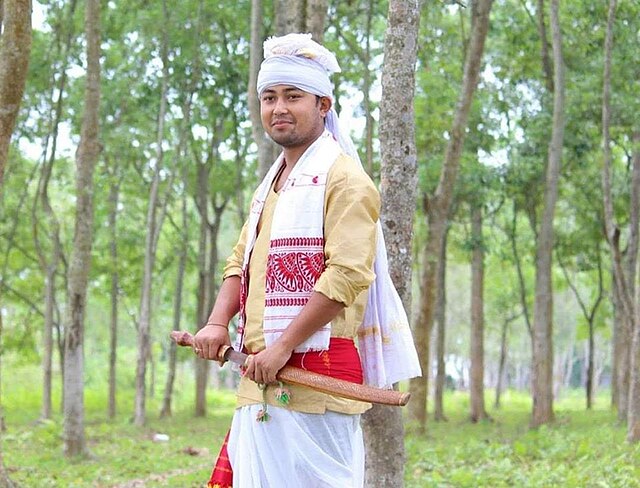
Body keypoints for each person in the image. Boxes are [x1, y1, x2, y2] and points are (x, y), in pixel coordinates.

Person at [193, 33, 420, 488]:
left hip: (319, 376)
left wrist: (281, 346)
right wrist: (218, 323)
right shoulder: (270, 185)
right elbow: (242, 261)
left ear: (323, 104)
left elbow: (347, 276)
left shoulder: (345, 180)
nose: (279, 108)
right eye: (269, 97)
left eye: (293, 96)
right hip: (259, 379)